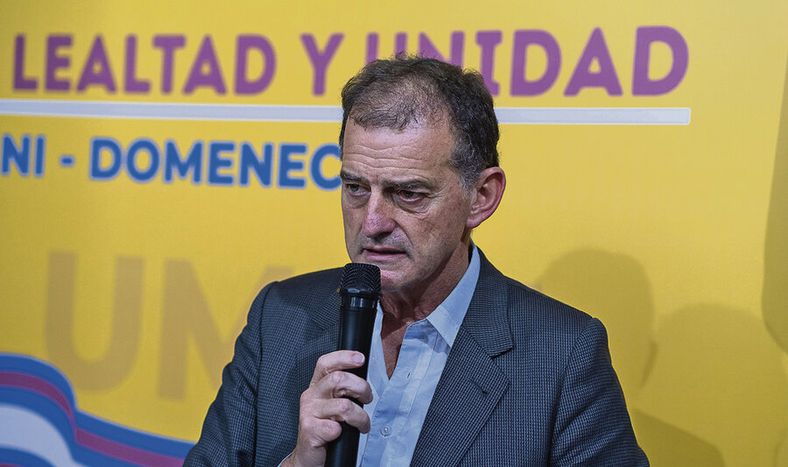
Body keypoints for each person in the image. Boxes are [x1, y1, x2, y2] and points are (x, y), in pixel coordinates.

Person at [185, 56, 648, 466]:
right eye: (355, 188)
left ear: (481, 196)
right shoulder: (280, 317)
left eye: (408, 193)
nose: (372, 222)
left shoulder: (562, 357)